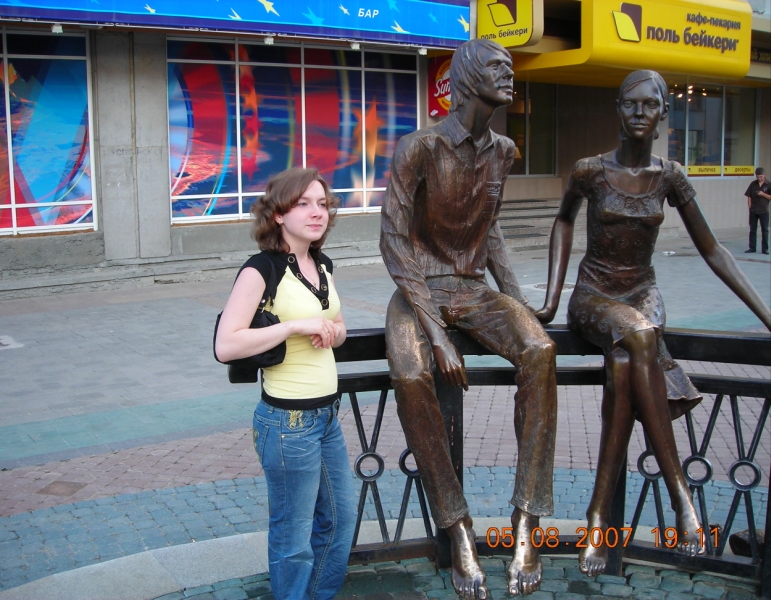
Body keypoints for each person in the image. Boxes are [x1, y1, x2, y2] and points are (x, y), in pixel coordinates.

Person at [534, 70, 771, 577]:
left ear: (664, 113)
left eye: (650, 104)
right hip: (595, 296)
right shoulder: (590, 170)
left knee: (624, 366)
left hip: (644, 294)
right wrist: (552, 300)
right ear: (618, 109)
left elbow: (713, 250)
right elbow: (563, 220)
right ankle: (681, 495)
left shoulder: (671, 176)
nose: (639, 113)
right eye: (630, 104)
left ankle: (598, 518)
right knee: (639, 336)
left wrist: (767, 316)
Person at [380, 39, 558, 599]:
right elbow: (392, 241)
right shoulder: (420, 147)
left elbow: (492, 227)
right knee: (411, 374)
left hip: (473, 289)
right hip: (418, 290)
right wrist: (437, 334)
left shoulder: (504, 150)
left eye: (510, 67)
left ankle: (526, 520)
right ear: (466, 79)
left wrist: (516, 299)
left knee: (540, 350)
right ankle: (456, 527)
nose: (509, 75)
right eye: (498, 68)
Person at [215, 168, 355, 600]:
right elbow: (226, 345)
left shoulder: (322, 264)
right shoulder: (261, 269)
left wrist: (331, 332)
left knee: (341, 519)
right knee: (293, 536)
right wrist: (294, 326)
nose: (317, 213)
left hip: (326, 417)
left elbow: (340, 326)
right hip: (287, 423)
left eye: (322, 204)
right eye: (303, 204)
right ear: (278, 214)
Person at [745, 167, 770, 254]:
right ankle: (752, 247)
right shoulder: (753, 184)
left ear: (764, 175)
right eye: (758, 177)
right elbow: (749, 196)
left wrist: (763, 194)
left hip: (764, 211)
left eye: (761, 176)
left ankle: (765, 249)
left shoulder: (768, 184)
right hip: (754, 210)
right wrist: (750, 207)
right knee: (752, 229)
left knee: (765, 230)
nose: (759, 178)